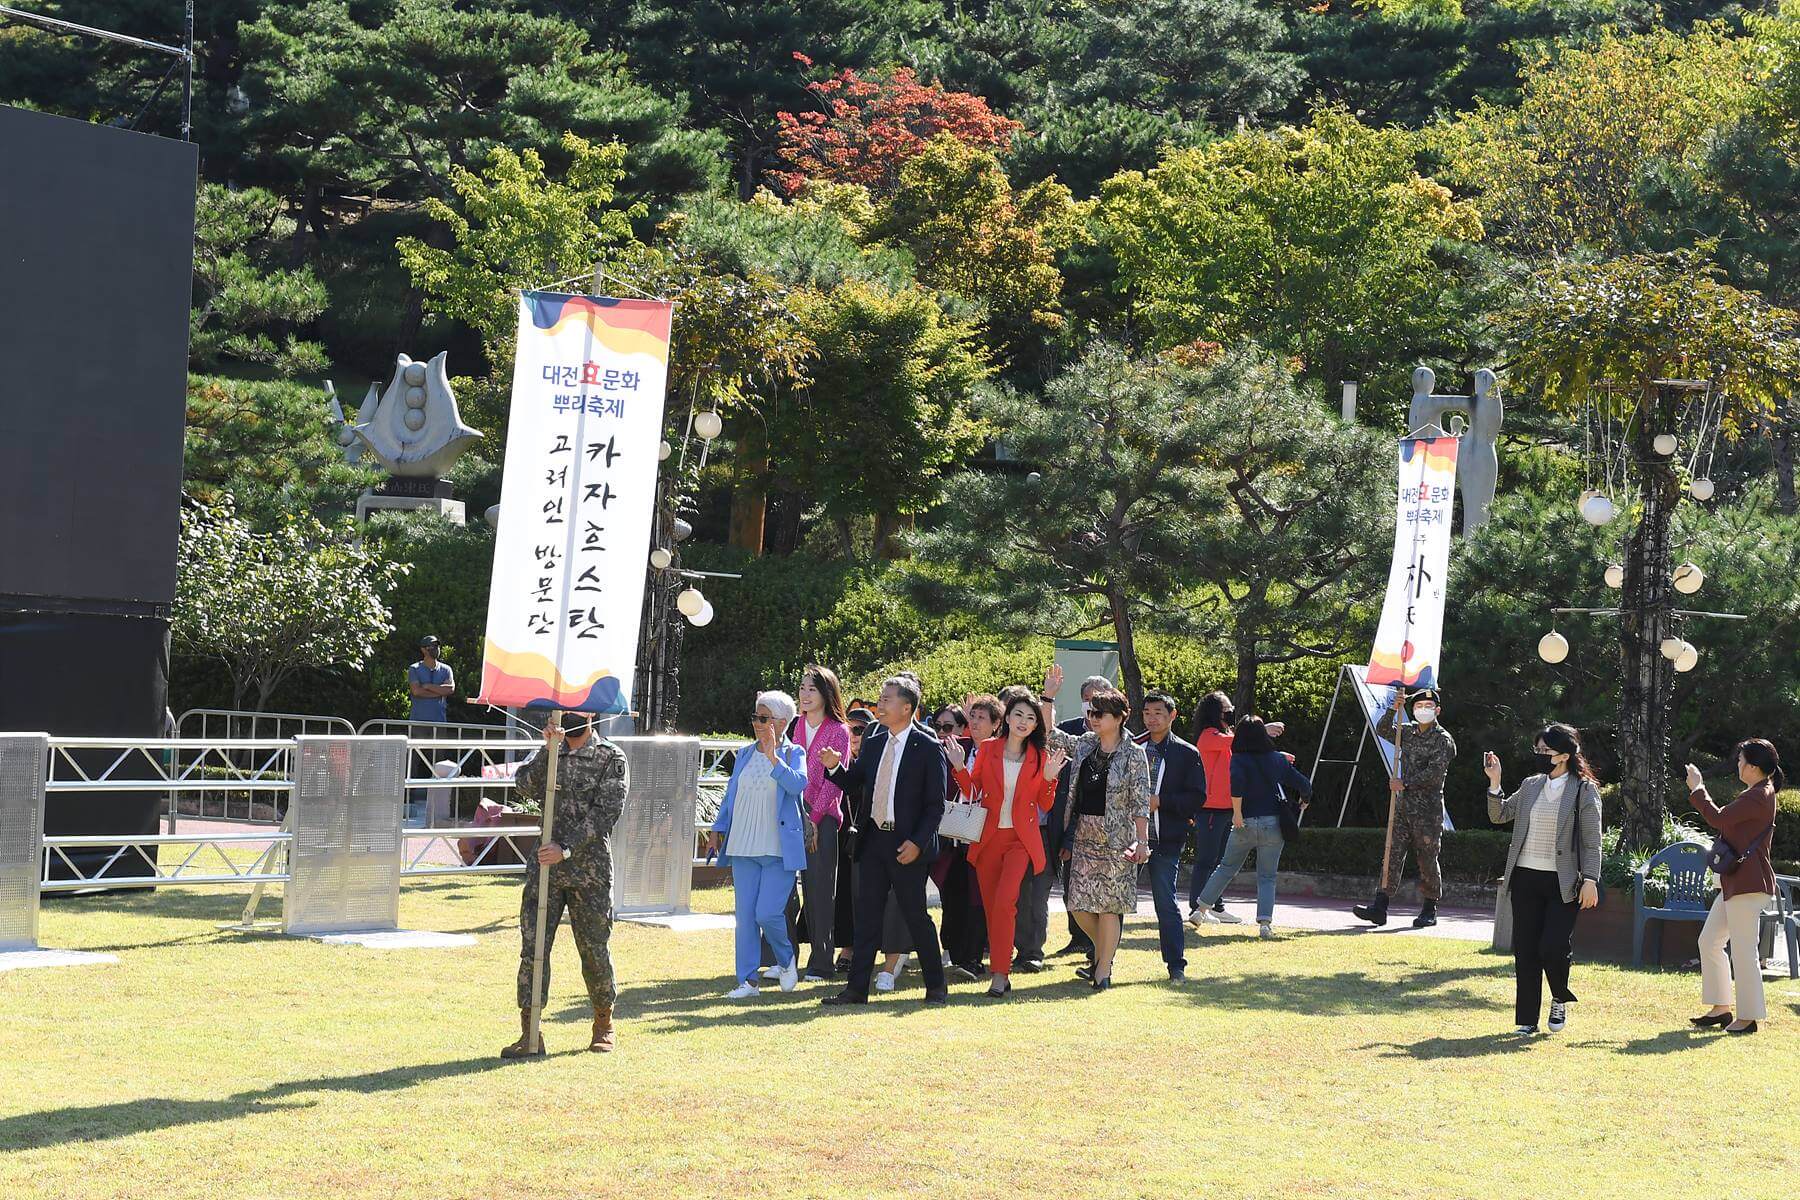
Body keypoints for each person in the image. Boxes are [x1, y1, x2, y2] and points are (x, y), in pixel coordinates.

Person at [501, 713, 628, 1057]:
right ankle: (530, 1033)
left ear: (590, 715)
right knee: (534, 948)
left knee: (593, 949)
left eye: (575, 711)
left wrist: (566, 848)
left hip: (589, 871)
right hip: (545, 869)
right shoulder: (551, 751)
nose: (567, 718)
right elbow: (523, 784)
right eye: (561, 712)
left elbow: (606, 813)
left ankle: (604, 1024)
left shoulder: (610, 757)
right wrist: (547, 749)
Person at [818, 676, 951, 1006]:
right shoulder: (875, 742)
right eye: (881, 697)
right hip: (873, 840)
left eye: (887, 699)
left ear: (907, 708)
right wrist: (835, 768)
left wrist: (918, 843)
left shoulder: (929, 746)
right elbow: (855, 783)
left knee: (915, 916)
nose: (880, 703)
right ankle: (856, 990)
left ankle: (936, 987)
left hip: (908, 846)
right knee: (867, 917)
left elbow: (936, 805)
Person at [1484, 724, 1601, 1036]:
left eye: (1545, 752)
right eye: (1537, 751)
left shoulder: (1584, 790)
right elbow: (1500, 815)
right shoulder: (1532, 784)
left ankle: (1559, 996)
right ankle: (1526, 1020)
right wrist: (1495, 783)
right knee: (1526, 949)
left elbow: (1592, 841)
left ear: (1563, 755)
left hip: (1563, 882)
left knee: (1552, 946)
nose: (1539, 756)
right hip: (1524, 877)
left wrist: (1590, 878)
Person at [959, 694, 1068, 997]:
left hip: (1020, 841)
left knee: (1006, 902)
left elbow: (1045, 802)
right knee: (994, 909)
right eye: (1019, 715)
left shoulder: (1039, 756)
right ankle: (1000, 971)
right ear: (1006, 718)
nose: (1024, 722)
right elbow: (973, 789)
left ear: (1036, 725)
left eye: (1031, 718)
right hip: (988, 838)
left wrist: (1049, 779)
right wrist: (958, 767)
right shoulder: (989, 749)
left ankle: (998, 975)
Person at [707, 692, 811, 999]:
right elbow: (731, 796)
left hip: (778, 847)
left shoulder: (794, 753)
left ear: (781, 722)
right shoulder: (743, 754)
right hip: (743, 845)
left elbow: (798, 785)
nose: (757, 723)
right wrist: (717, 828)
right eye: (755, 717)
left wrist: (773, 758)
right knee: (746, 918)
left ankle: (785, 958)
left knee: (767, 914)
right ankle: (747, 982)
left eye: (763, 718)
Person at [1687, 740, 1782, 1035]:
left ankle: (1749, 1017)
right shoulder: (1757, 793)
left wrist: (1697, 788)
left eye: (1741, 760)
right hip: (1738, 882)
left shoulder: (1758, 795)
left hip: (1748, 884)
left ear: (1753, 767)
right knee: (1710, 940)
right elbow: (1727, 823)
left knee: (1743, 951)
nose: (1738, 765)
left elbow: (1717, 817)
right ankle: (1721, 1007)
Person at [1191, 716, 1311, 940]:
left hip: (1244, 822)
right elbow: (1304, 784)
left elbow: (1237, 786)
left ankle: (1200, 911)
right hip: (1273, 823)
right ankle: (1265, 924)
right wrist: (1305, 800)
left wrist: (1237, 814)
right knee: (1267, 876)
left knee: (1226, 868)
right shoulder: (1277, 759)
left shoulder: (1238, 759)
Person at [1062, 688, 1151, 989]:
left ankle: (1103, 970)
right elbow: (1051, 738)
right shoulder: (1087, 743)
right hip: (1085, 832)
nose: (1093, 718)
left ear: (1120, 717)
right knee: (1077, 904)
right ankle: (1104, 954)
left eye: (1099, 713)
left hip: (1118, 837)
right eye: (1090, 712)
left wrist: (1142, 841)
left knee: (1109, 906)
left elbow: (1140, 802)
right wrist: (1048, 698)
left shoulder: (1135, 754)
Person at [1355, 688, 1457, 929]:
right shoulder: (1408, 731)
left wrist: (1405, 783)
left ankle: (1430, 908)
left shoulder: (1443, 739)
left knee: (1427, 858)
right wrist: (1393, 708)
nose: (1423, 710)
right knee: (1392, 853)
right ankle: (1380, 906)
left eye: (1428, 707)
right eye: (1418, 706)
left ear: (1438, 711)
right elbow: (1382, 730)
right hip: (1402, 806)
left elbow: (1435, 773)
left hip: (1427, 811)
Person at [1137, 693, 1206, 981]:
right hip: (1128, 838)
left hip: (1165, 840)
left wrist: (1160, 801)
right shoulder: (1132, 747)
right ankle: (1102, 962)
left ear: (1172, 715)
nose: (1152, 718)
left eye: (1158, 713)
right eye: (1147, 712)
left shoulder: (1186, 753)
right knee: (1112, 901)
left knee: (1165, 902)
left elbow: (1197, 797)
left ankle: (1175, 965)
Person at [790, 665, 851, 982]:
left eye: (811, 689)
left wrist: (812, 820)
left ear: (827, 694)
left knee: (819, 891)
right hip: (794, 814)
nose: (804, 694)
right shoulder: (797, 725)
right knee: (788, 889)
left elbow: (833, 783)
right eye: (801, 688)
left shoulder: (838, 730)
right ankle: (784, 959)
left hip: (823, 818)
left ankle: (821, 963)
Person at [1042, 666, 1105, 960]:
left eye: (1097, 699)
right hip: (1068, 817)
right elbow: (1049, 735)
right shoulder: (1073, 732)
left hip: (1103, 827)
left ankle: (1100, 950)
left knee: (1100, 891)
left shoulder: (1122, 740)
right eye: (1086, 699)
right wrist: (1048, 697)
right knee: (1070, 884)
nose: (1090, 705)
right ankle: (1078, 938)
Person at [932, 703, 987, 981]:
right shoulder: (954, 747)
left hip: (981, 836)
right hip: (951, 838)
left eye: (949, 727)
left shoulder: (995, 751)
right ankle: (955, 952)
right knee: (952, 895)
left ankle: (973, 957)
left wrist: (958, 766)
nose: (943, 733)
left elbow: (979, 793)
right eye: (972, 717)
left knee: (977, 898)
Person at [830, 707, 875, 975]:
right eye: (849, 729)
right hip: (842, 832)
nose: (854, 735)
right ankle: (847, 947)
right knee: (844, 891)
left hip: (871, 833)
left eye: (860, 730)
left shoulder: (875, 759)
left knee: (867, 893)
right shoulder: (837, 758)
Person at [407, 635, 455, 724]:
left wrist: (427, 686)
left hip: (440, 722)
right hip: (418, 722)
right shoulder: (414, 668)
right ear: (423, 649)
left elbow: (450, 689)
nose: (436, 649)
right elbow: (416, 691)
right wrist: (439, 692)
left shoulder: (446, 669)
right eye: (432, 646)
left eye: (437, 646)